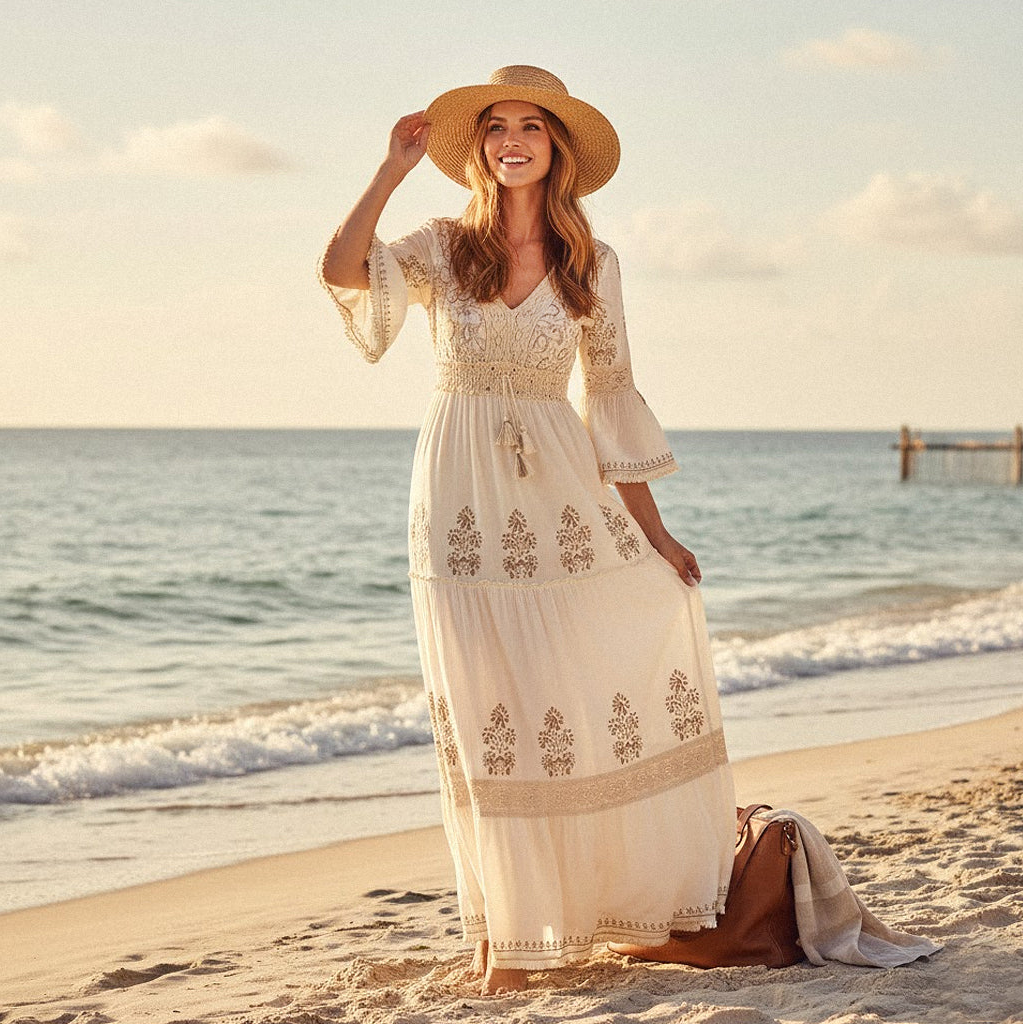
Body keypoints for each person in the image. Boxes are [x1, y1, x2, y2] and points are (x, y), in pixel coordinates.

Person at [318, 65, 736, 996]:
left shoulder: (592, 262)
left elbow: (614, 400)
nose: (512, 141)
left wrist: (658, 539)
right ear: (478, 148)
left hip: (559, 492)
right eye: (497, 127)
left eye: (531, 128)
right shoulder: (439, 246)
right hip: (459, 500)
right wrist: (389, 171)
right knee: (481, 712)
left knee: (563, 692)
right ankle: (508, 930)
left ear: (558, 149)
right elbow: (344, 272)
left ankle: (561, 918)